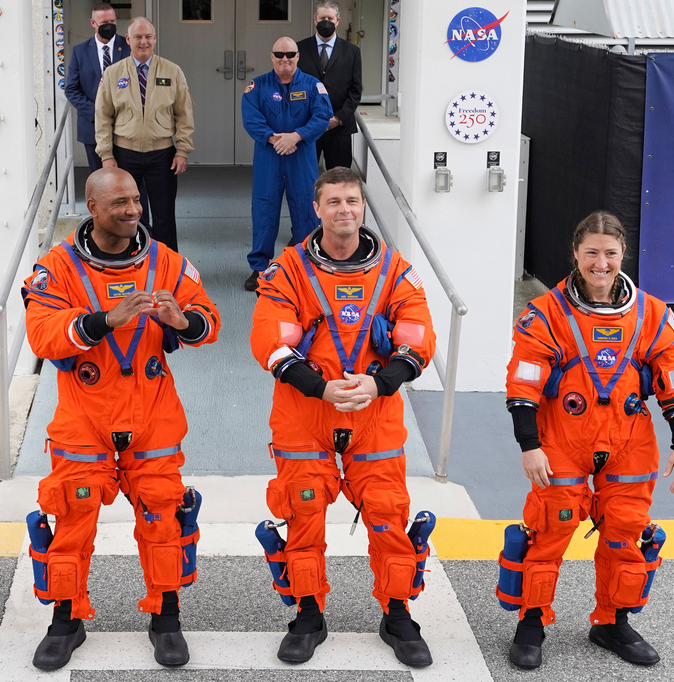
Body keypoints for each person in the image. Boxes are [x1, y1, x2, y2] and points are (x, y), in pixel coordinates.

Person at [22, 167, 220, 670]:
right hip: (85, 415)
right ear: (92, 206)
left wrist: (183, 321)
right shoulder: (58, 267)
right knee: (71, 516)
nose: (133, 210)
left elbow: (210, 320)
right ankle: (66, 621)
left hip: (151, 411)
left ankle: (166, 616)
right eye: (120, 203)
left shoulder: (166, 262)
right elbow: (43, 335)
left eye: (135, 200)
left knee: (163, 516)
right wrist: (103, 320)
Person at [250, 167, 437, 667]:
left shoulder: (396, 272)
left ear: (363, 206)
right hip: (305, 412)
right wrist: (321, 387)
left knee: (387, 512)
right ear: (317, 209)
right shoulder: (286, 271)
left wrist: (379, 383)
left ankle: (397, 615)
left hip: (375, 411)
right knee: (303, 513)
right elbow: (269, 341)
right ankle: (308, 615)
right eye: (333, 202)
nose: (344, 210)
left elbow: (418, 336)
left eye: (352, 200)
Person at [502, 211, 674, 669]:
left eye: (610, 253)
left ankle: (612, 622)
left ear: (623, 253)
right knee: (551, 531)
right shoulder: (546, 313)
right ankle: (531, 623)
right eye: (592, 253)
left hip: (629, 441)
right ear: (576, 254)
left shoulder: (652, 314)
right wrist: (529, 445)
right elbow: (523, 385)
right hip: (561, 442)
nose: (601, 263)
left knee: (626, 534)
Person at [95, 17, 194, 252]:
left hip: (162, 155)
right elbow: (102, 116)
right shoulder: (112, 73)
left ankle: (167, 266)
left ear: (155, 39)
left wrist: (182, 150)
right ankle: (127, 261)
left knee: (164, 214)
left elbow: (184, 114)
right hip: (123, 154)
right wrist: (106, 155)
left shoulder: (172, 71)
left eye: (148, 37)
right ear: (128, 40)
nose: (143, 42)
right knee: (124, 213)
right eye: (138, 37)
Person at [241, 36, 332, 292]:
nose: (285, 59)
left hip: (301, 157)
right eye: (279, 54)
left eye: (290, 54)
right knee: (264, 210)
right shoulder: (257, 86)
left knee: (305, 209)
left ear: (298, 56)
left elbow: (323, 116)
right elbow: (251, 118)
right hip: (269, 157)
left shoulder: (314, 86)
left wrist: (296, 136)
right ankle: (259, 268)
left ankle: (307, 267)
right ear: (271, 56)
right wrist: (273, 139)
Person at [65, 3, 130, 174]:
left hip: (128, 127)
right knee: (101, 180)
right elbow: (71, 89)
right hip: (92, 128)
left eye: (113, 21)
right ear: (93, 23)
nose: (109, 25)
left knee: (131, 181)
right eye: (104, 22)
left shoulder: (130, 47)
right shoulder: (80, 51)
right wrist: (97, 113)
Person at [297, 1, 363, 170]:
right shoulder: (299, 49)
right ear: (314, 19)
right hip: (307, 126)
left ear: (338, 21)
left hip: (339, 128)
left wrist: (338, 118)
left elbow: (355, 91)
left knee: (338, 178)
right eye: (322, 18)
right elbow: (293, 86)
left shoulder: (352, 51)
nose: (326, 21)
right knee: (304, 176)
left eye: (330, 18)